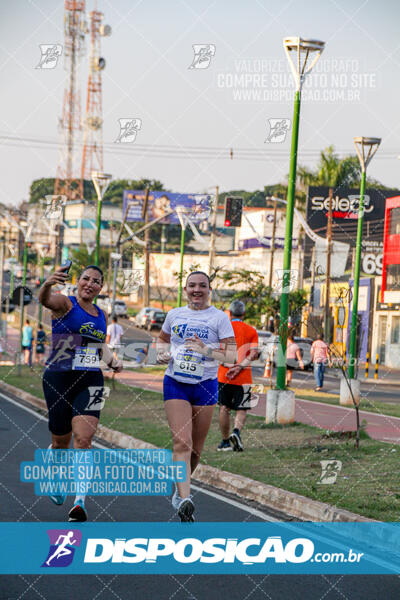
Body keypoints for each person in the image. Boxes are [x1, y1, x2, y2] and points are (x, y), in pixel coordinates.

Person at [38, 264, 122, 522]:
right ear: (79, 281)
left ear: (100, 288)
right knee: (60, 442)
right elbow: (45, 299)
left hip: (91, 379)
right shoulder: (66, 304)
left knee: (84, 439)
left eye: (96, 281)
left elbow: (99, 345)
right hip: (58, 378)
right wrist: (47, 283)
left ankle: (79, 502)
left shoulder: (101, 314)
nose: (90, 283)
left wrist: (112, 360)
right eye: (86, 278)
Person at [157, 271, 236, 522]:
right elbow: (161, 340)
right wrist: (161, 354)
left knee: (196, 451)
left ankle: (181, 489)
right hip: (175, 383)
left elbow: (231, 356)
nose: (197, 290)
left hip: (205, 385)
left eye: (202, 285)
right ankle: (185, 499)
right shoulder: (174, 314)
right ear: (185, 289)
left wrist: (205, 350)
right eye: (192, 285)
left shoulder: (219, 318)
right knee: (182, 443)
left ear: (209, 289)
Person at [217, 300, 259, 452]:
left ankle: (225, 441)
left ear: (229, 313)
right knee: (242, 409)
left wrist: (229, 366)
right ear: (244, 314)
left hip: (223, 376)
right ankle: (236, 431)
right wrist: (239, 366)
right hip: (244, 377)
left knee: (224, 408)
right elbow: (254, 353)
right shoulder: (251, 331)